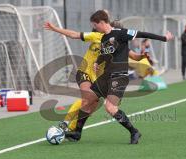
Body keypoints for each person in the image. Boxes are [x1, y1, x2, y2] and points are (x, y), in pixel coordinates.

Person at [66, 10, 173, 144]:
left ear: (102, 22)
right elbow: (104, 54)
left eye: (95, 24)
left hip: (119, 77)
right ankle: (77, 132)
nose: (94, 27)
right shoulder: (104, 38)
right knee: (87, 100)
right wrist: (97, 63)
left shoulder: (121, 33)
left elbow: (142, 34)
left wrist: (164, 38)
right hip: (105, 77)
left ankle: (134, 132)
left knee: (110, 108)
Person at [43, 21, 149, 134]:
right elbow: (74, 34)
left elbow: (134, 56)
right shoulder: (97, 36)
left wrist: (143, 55)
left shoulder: (119, 45)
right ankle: (64, 123)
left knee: (91, 106)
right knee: (87, 99)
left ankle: (74, 129)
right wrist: (55, 28)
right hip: (85, 71)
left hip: (98, 78)